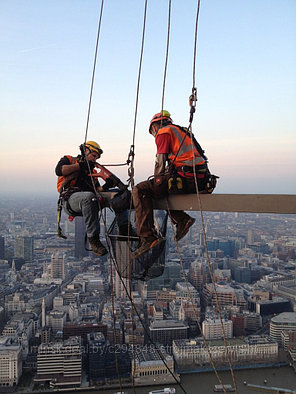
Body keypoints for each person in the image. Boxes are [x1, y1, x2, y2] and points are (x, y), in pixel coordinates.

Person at [131, 110, 217, 259]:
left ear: (155, 126)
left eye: (153, 131)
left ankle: (147, 237)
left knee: (140, 190)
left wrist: (157, 181)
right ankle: (181, 219)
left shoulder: (164, 132)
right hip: (200, 179)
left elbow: (160, 161)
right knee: (161, 189)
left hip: (186, 177)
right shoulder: (182, 131)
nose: (154, 135)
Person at [55, 141, 133, 257]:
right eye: (94, 156)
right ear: (86, 151)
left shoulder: (92, 172)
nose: (95, 160)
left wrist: (107, 186)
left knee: (119, 195)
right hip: (70, 199)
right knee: (89, 198)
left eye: (96, 157)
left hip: (90, 199)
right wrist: (81, 166)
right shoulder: (69, 160)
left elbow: (98, 190)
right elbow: (59, 170)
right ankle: (94, 240)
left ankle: (124, 228)